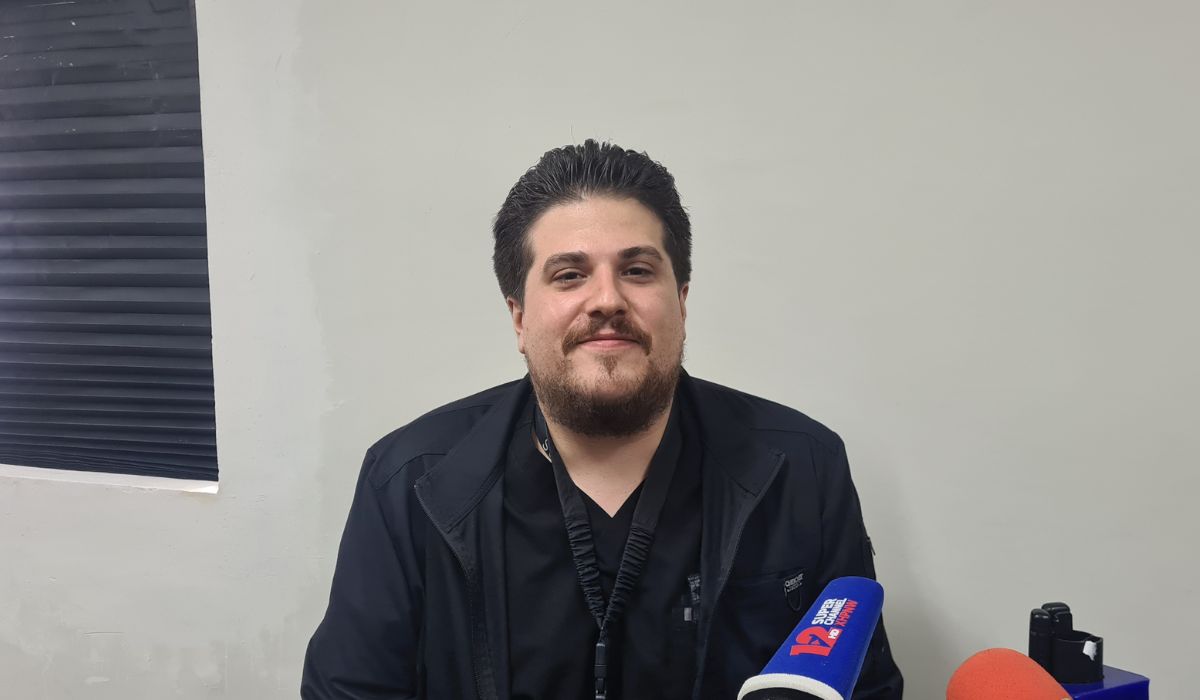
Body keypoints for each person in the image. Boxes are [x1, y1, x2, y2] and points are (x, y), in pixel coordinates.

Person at [302, 140, 903, 699]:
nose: (608, 300)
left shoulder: (805, 468)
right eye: (569, 275)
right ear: (519, 317)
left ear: (682, 300)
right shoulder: (407, 480)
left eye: (637, 270)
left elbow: (865, 689)